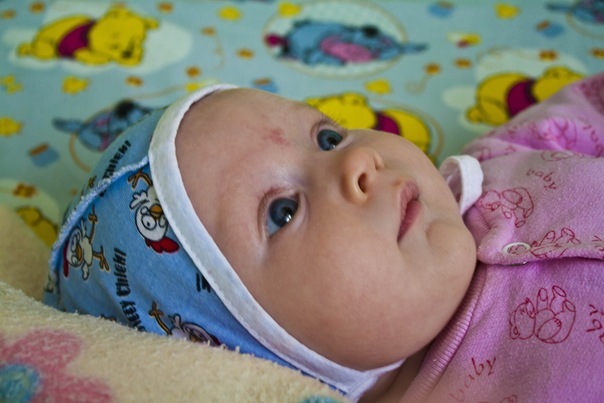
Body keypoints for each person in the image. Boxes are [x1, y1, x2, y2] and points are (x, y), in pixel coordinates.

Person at [45, 73, 604, 402]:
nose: (358, 162)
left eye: (327, 137)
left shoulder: (499, 162)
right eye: (283, 211)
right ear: (255, 356)